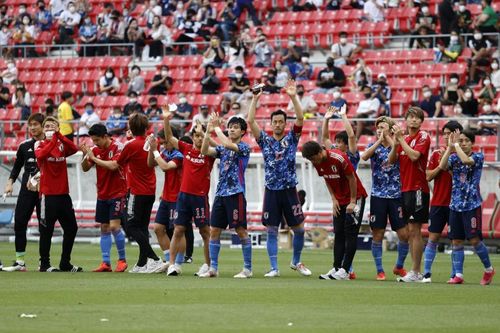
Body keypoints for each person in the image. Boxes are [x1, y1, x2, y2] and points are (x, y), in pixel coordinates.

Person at [247, 80, 311, 277]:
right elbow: (250, 122)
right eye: (274, 121)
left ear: (285, 123)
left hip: (290, 189)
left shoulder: (291, 138)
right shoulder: (264, 140)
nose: (277, 124)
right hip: (271, 191)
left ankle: (296, 261)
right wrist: (255, 99)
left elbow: (301, 117)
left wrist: (293, 96)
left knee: (299, 229)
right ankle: (274, 268)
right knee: (271, 230)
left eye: (281, 122)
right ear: (271, 123)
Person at [88, 113, 165, 273]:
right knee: (142, 226)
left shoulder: (130, 145)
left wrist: (93, 158)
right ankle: (143, 262)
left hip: (136, 190)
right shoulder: (152, 142)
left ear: (130, 128)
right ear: (146, 128)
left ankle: (155, 259)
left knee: (130, 226)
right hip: (150, 190)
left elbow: (116, 164)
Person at [301, 140, 367, 280]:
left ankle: (345, 270)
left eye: (313, 158)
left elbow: (352, 178)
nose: (313, 162)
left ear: (320, 152)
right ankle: (337, 268)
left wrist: (353, 201)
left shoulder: (339, 158)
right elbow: (327, 178)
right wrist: (334, 199)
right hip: (339, 200)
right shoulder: (317, 162)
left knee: (350, 234)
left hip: (355, 198)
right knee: (338, 233)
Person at [438, 130, 495, 285]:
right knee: (456, 241)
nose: (462, 143)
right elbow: (442, 167)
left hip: (471, 205)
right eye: (460, 140)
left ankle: (489, 269)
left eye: (465, 141)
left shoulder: (478, 156)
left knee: (475, 240)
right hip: (455, 205)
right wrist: (450, 148)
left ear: (472, 143)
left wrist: (455, 145)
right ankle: (458, 274)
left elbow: (467, 162)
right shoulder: (454, 156)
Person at [163, 107, 215, 277]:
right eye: (197, 136)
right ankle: (172, 265)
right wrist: (166, 119)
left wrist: (206, 132)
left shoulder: (209, 153)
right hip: (183, 196)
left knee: (205, 232)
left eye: (201, 136)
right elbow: (170, 137)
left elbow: (212, 144)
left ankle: (208, 265)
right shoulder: (185, 148)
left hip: (200, 198)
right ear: (192, 137)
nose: (199, 139)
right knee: (178, 230)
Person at [199, 114, 252, 278]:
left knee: (240, 230)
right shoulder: (223, 149)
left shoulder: (244, 147)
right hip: (220, 194)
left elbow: (227, 143)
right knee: (214, 230)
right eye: (230, 126)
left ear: (243, 131)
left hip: (236, 193)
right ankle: (213, 268)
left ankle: (247, 269)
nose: (231, 129)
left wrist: (216, 127)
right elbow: (204, 150)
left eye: (235, 127)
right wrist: (208, 132)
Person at [360, 116, 410, 280]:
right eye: (378, 127)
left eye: (383, 127)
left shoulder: (398, 145)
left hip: (396, 196)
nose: (380, 130)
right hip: (378, 196)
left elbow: (392, 158)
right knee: (378, 234)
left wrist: (390, 139)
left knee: (404, 234)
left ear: (390, 128)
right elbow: (364, 157)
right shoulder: (374, 146)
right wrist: (379, 140)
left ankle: (399, 266)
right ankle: (380, 270)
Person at [388, 106, 431, 282]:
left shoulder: (423, 136)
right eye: (411, 117)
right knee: (410, 230)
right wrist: (396, 143)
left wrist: (400, 140)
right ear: (406, 120)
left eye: (417, 118)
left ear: (421, 121)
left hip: (418, 188)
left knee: (415, 230)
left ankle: (416, 271)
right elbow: (391, 161)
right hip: (405, 189)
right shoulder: (403, 138)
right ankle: (415, 271)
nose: (413, 120)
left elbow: (414, 156)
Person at [35, 116, 81, 272]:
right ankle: (44, 263)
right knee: (46, 230)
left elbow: (74, 149)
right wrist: (53, 140)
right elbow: (41, 156)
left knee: (71, 228)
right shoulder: (39, 144)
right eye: (46, 126)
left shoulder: (61, 143)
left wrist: (59, 136)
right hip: (48, 195)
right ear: (43, 129)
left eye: (52, 126)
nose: (49, 128)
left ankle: (65, 262)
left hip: (63, 194)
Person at [80, 124, 128, 272]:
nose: (95, 143)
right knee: (104, 228)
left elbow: (114, 166)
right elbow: (85, 168)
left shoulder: (118, 147)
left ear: (105, 136)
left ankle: (122, 260)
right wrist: (85, 155)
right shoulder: (94, 150)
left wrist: (94, 158)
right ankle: (106, 263)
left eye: (97, 140)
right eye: (93, 141)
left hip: (118, 193)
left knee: (114, 226)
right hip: (102, 193)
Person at [2, 114, 45, 272]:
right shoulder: (24, 145)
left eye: (36, 124)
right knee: (19, 222)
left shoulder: (50, 144)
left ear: (42, 125)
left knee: (44, 226)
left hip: (44, 191)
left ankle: (43, 261)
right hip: (27, 191)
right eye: (30, 125)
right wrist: (10, 182)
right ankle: (20, 262)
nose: (32, 128)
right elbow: (17, 167)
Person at [423, 120, 463, 283]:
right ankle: (426, 273)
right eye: (445, 134)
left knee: (456, 239)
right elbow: (428, 176)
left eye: (449, 133)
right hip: (439, 202)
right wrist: (440, 166)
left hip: (456, 203)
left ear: (457, 134)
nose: (446, 137)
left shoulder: (462, 154)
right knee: (433, 237)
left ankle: (455, 274)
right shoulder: (436, 154)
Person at [147, 129, 189, 268]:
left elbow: (164, 167)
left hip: (177, 197)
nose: (164, 146)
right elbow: (151, 164)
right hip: (166, 197)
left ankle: (178, 262)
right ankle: (167, 259)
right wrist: (151, 148)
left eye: (165, 143)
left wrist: (155, 151)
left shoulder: (179, 155)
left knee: (178, 230)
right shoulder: (166, 152)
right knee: (158, 228)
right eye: (162, 144)